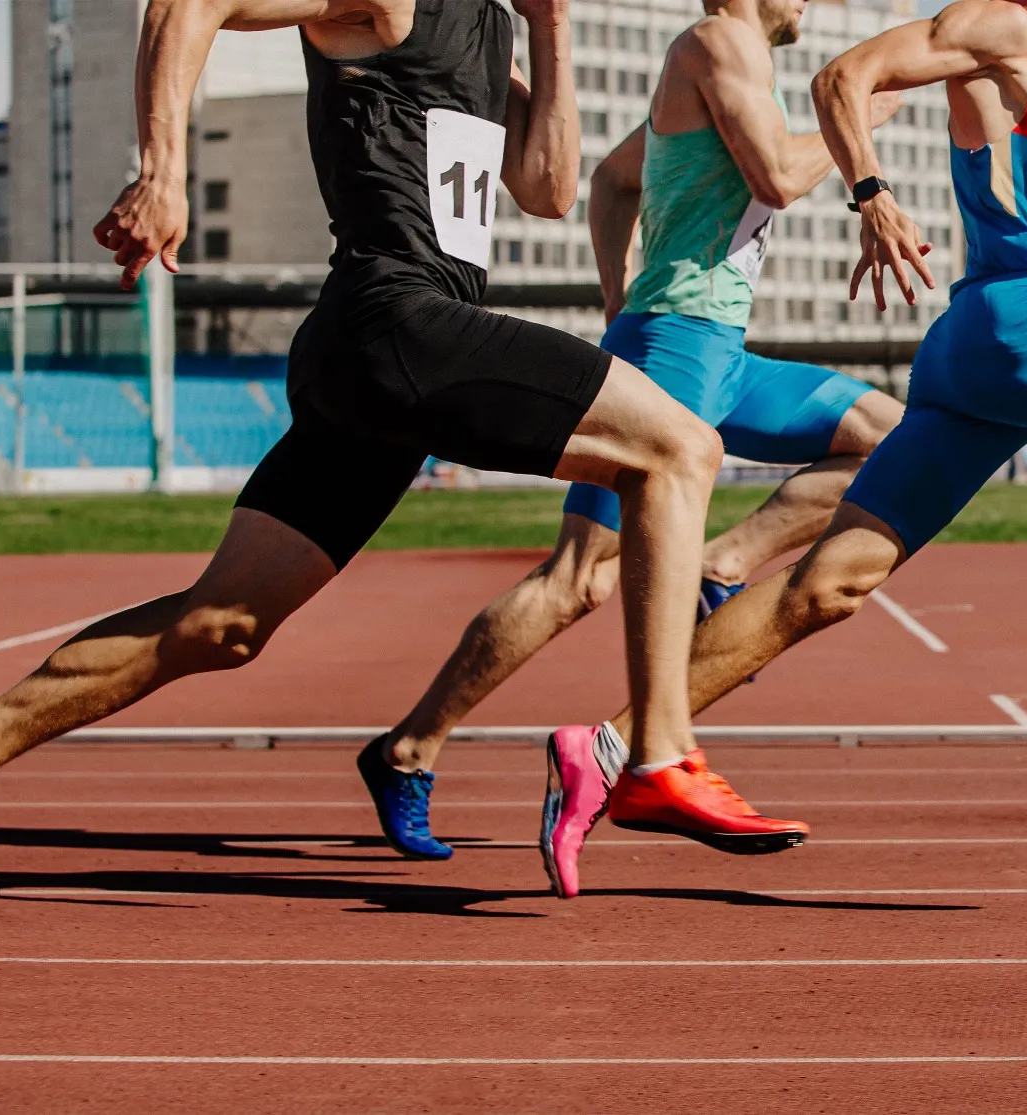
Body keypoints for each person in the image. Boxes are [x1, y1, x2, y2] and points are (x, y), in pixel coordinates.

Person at [535, 0, 1027, 895]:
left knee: (827, 587)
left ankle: (609, 745)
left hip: (979, 364)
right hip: (1024, 326)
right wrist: (873, 196)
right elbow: (843, 79)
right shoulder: (1003, 29)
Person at [0, 0, 752, 853]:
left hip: (389, 356)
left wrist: (550, 26)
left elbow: (547, 188)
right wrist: (164, 170)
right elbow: (189, 4)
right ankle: (658, 756)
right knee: (681, 448)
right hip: (391, 320)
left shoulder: (495, 36)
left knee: (218, 626)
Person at [352, 0, 907, 886]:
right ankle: (407, 750)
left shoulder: (732, 65)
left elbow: (614, 180)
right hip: (677, 348)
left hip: (714, 349)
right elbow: (775, 177)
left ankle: (721, 566)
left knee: (890, 437)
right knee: (580, 580)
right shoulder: (718, 43)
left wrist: (620, 304)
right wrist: (861, 120)